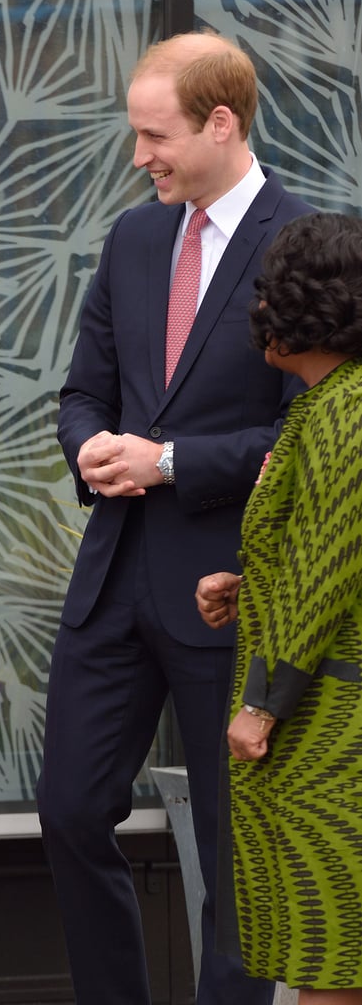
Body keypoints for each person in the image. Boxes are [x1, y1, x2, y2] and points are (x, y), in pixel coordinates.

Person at [35, 30, 314, 1005]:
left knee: (230, 853)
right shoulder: (132, 236)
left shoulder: (303, 244)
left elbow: (305, 431)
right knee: (68, 808)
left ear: (221, 123)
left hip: (224, 593)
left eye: (154, 135)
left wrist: (165, 461)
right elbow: (81, 393)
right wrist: (90, 449)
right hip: (113, 581)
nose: (139, 155)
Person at [196, 212, 362, 1005]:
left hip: (331, 727)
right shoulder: (322, 402)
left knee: (333, 950)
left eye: (269, 293)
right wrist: (244, 585)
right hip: (321, 709)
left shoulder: (346, 409)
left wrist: (261, 705)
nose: (257, 309)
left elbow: (325, 567)